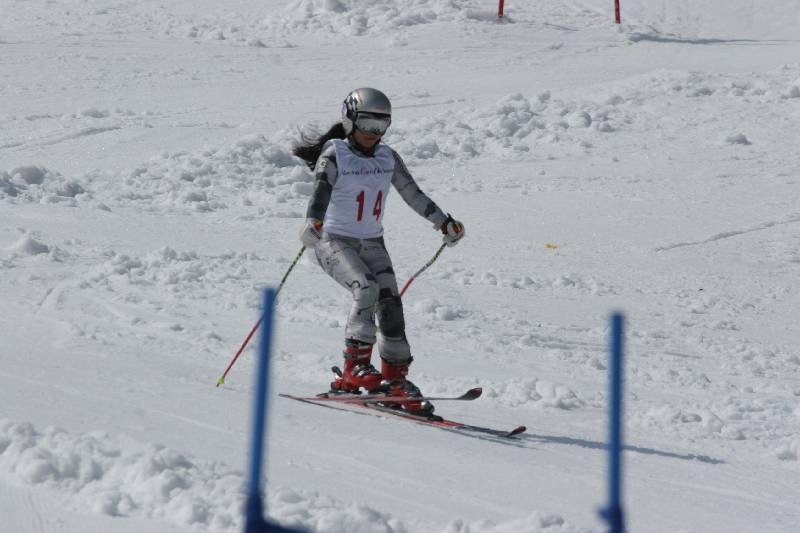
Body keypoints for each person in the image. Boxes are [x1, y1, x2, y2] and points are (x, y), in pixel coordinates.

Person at [292, 87, 465, 416]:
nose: (374, 133)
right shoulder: (335, 154)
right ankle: (353, 369)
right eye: (367, 124)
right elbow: (321, 191)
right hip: (333, 241)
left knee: (391, 303)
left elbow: (413, 193)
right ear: (350, 120)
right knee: (366, 287)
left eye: (381, 125)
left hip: (372, 242)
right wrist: (312, 222)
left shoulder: (387, 157)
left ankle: (395, 380)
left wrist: (443, 222)